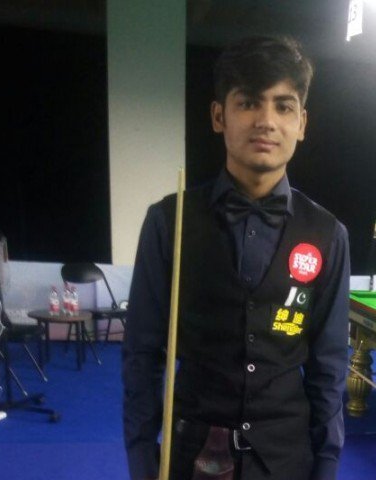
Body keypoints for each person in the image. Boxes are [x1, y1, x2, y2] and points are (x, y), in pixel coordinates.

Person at [123, 35, 350, 480]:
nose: (266, 121)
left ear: (302, 123)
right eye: (248, 102)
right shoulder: (169, 221)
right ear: (218, 116)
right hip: (192, 454)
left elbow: (329, 366)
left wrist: (326, 464)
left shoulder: (328, 234)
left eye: (283, 106)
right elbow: (142, 354)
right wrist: (141, 456)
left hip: (286, 460)